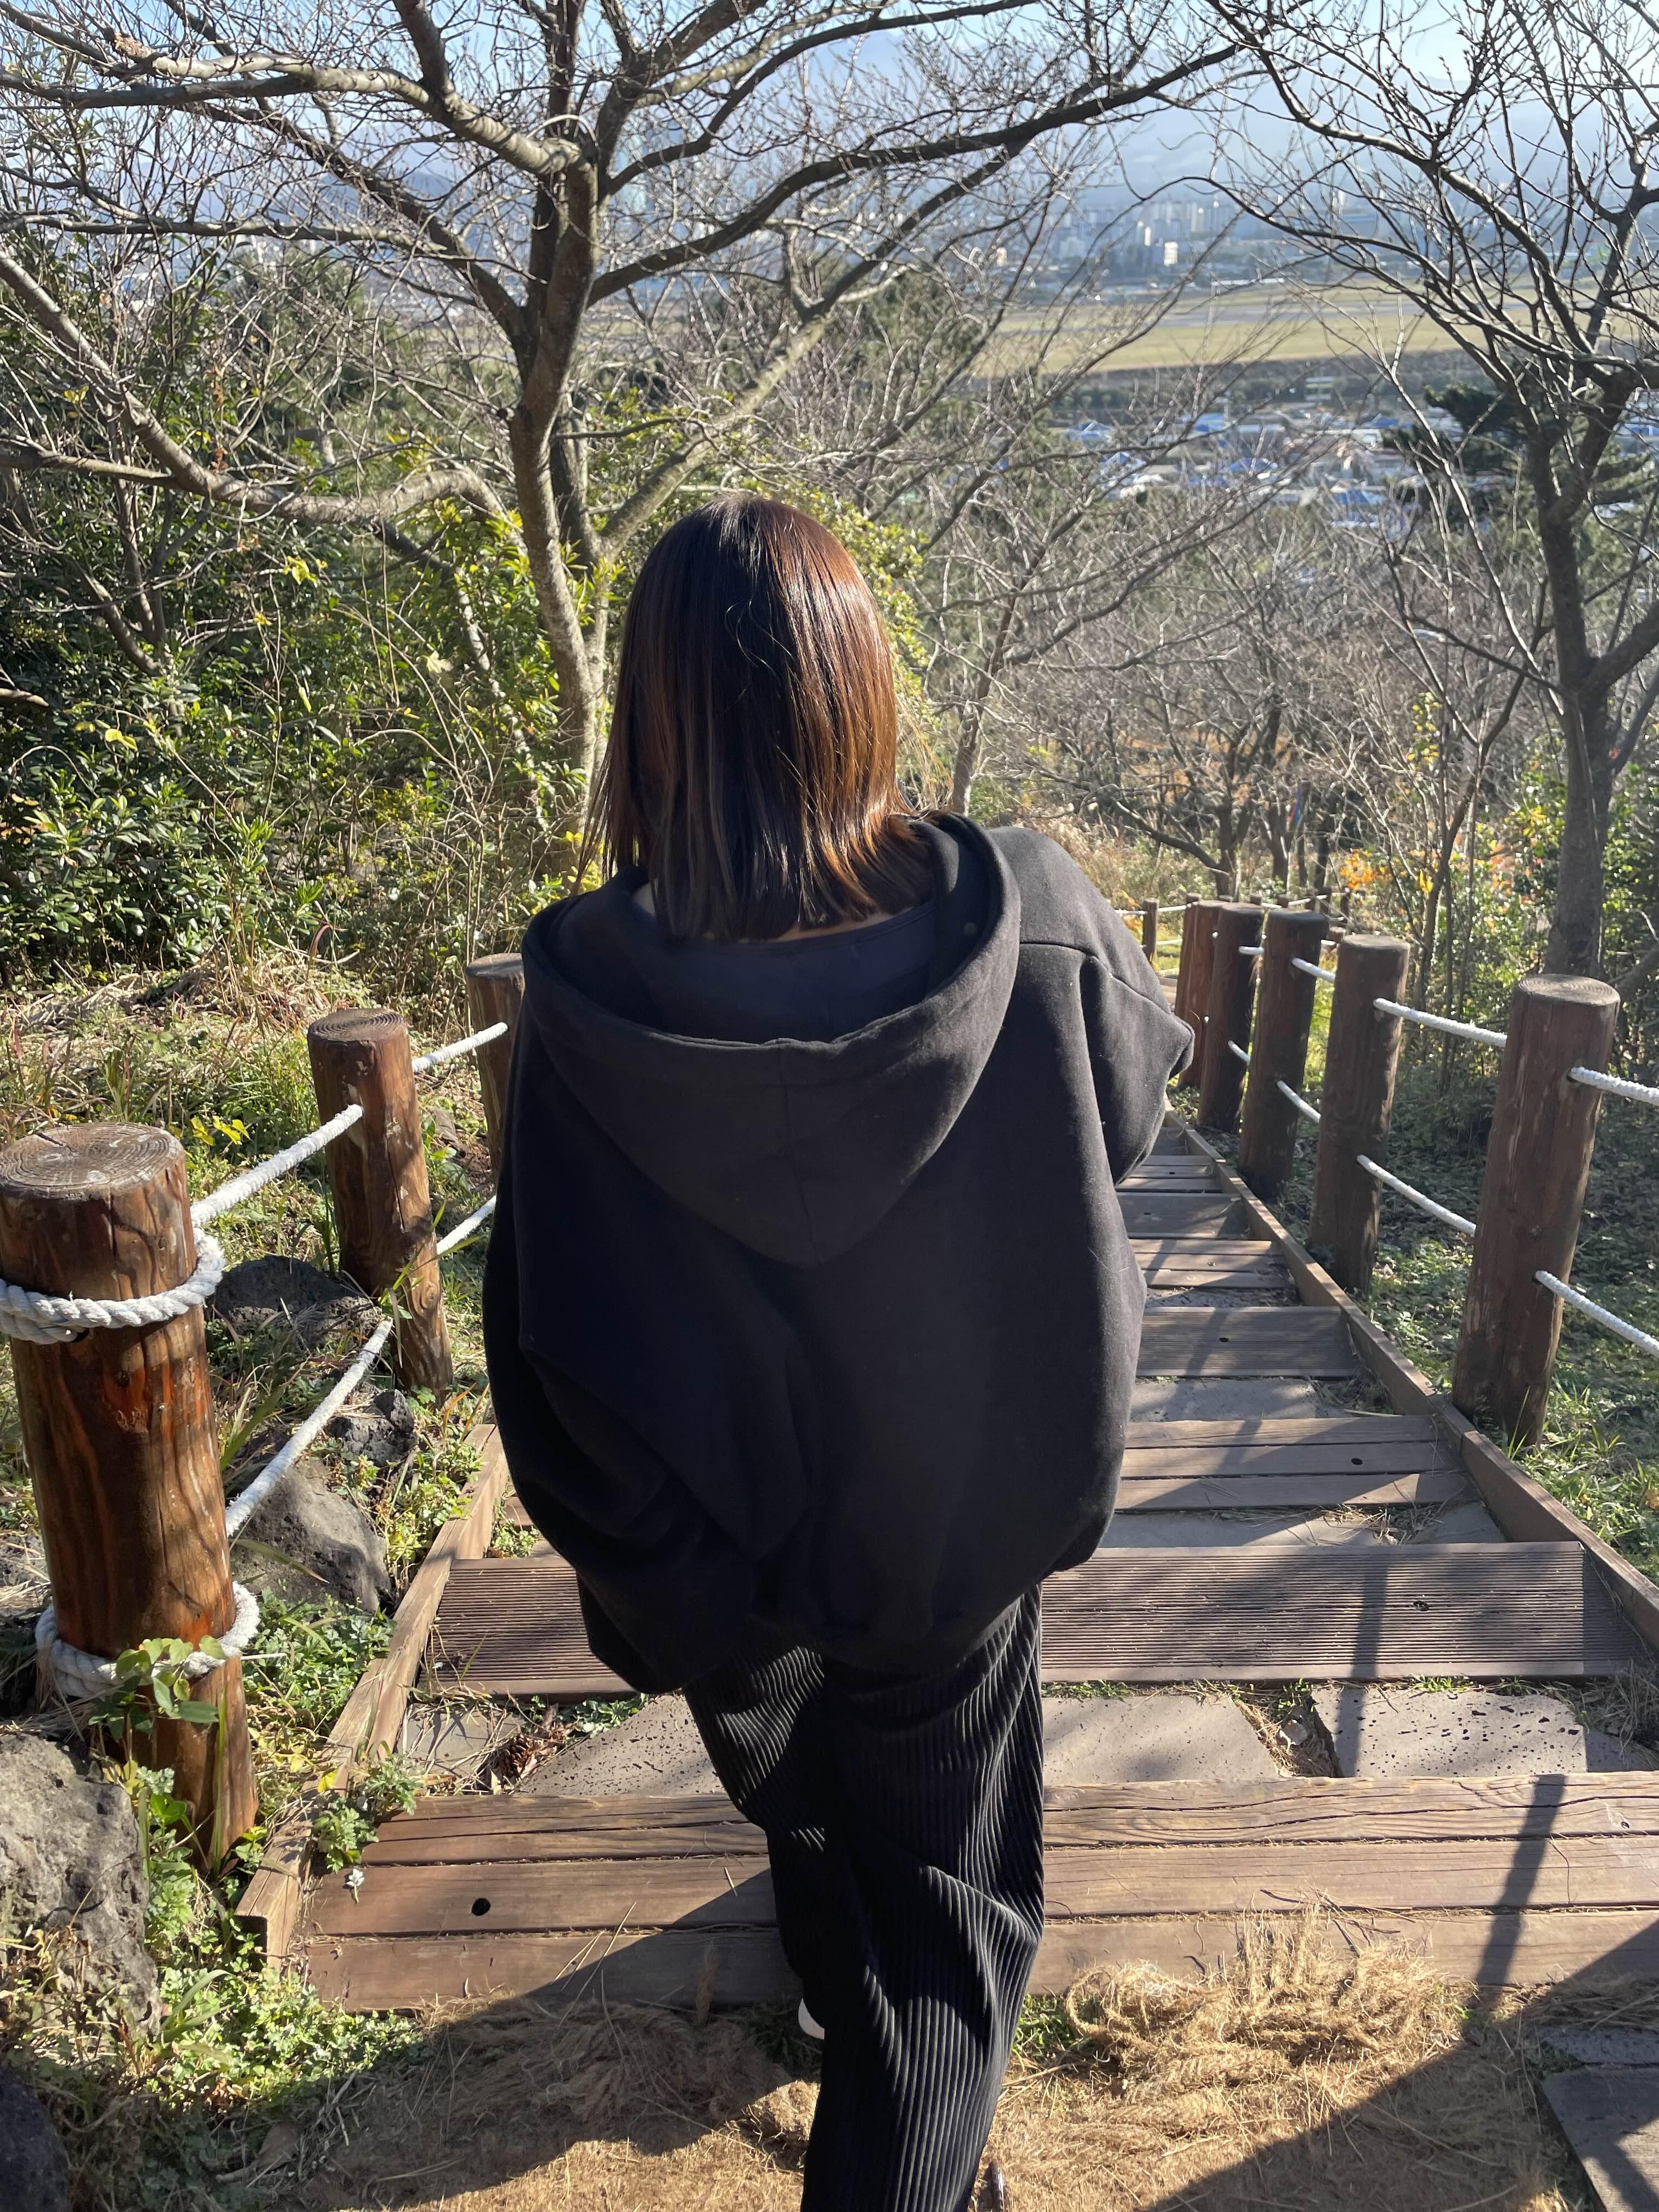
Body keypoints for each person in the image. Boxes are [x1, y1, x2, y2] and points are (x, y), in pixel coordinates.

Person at [482, 494, 1193, 2211]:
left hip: (712, 1558)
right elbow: (1130, 1118)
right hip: (950, 1538)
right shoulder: (1028, 918)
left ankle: (825, 1970)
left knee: (810, 1794)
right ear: (861, 690)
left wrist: (669, 1570)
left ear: (650, 725)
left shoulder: (587, 998)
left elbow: (549, 1324)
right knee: (946, 1926)